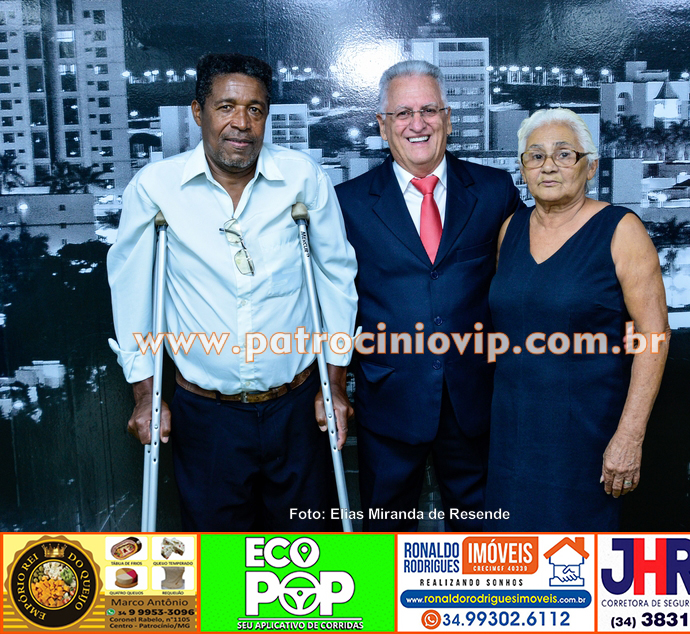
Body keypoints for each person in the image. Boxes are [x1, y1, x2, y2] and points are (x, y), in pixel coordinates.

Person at [107, 53, 357, 531]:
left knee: (311, 555)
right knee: (218, 553)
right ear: (198, 112)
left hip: (297, 410)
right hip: (206, 417)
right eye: (225, 107)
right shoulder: (156, 188)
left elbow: (335, 282)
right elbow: (133, 293)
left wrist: (337, 387)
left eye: (255, 109)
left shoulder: (302, 179)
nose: (241, 123)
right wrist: (144, 395)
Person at [335, 60, 527, 531]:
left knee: (481, 540)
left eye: (428, 110)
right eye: (402, 113)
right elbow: (332, 301)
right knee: (383, 536)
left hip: (475, 402)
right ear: (383, 125)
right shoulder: (346, 202)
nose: (416, 124)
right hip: (389, 400)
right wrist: (335, 384)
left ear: (447, 119)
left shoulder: (494, 190)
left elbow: (531, 274)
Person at [484, 108, 670, 532]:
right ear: (523, 169)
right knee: (512, 551)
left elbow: (654, 336)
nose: (548, 166)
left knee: (574, 555)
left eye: (564, 154)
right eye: (536, 155)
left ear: (591, 166)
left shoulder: (621, 230)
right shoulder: (510, 229)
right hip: (512, 432)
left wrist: (630, 436)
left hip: (587, 435)